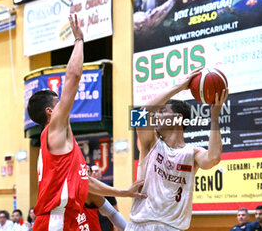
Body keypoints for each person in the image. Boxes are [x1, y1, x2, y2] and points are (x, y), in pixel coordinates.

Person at [26, 14, 146, 231]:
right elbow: (72, 77)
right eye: (58, 101)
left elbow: (86, 183)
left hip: (66, 217)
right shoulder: (54, 129)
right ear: (50, 111)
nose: (65, 103)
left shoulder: (60, 147)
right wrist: (79, 40)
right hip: (56, 220)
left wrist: (123, 192)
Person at [126, 68, 229, 230]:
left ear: (178, 118)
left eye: (162, 111)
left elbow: (214, 157)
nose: (155, 116)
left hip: (172, 227)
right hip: (141, 225)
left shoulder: (192, 154)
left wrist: (214, 117)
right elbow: (139, 114)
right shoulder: (150, 143)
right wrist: (180, 86)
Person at [91, 165, 121, 231]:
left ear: (100, 174)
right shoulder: (85, 189)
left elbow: (115, 210)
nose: (94, 173)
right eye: (92, 171)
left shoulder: (107, 189)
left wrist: (116, 227)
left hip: (104, 224)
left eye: (96, 171)